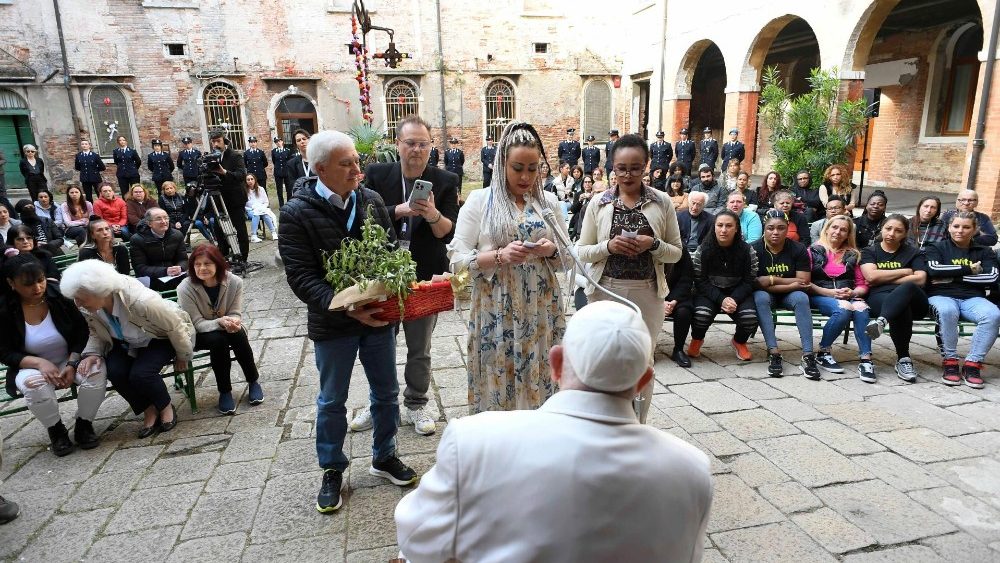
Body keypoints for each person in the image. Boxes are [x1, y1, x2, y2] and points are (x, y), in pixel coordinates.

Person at [394, 300, 713, 563]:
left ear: (556, 364)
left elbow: (416, 542)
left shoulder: (474, 441)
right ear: (644, 381)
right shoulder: (691, 469)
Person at [279, 130, 418, 513]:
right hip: (333, 324)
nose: (358, 169)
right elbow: (301, 276)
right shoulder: (296, 212)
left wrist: (388, 289)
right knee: (332, 400)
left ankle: (384, 455)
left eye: (357, 161)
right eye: (347, 164)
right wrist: (343, 305)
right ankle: (332, 469)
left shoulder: (370, 200)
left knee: (386, 393)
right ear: (320, 169)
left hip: (376, 319)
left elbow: (390, 251)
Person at [450, 121, 570, 414]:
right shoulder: (481, 202)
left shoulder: (548, 202)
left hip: (541, 308)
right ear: (501, 163)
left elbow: (569, 257)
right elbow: (456, 261)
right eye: (518, 168)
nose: (526, 176)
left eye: (533, 168)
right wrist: (499, 256)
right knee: (497, 371)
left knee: (542, 373)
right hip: (496, 306)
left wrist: (550, 249)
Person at [353, 115, 460, 437]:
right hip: (382, 273)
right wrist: (397, 210)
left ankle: (416, 403)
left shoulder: (444, 181)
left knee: (419, 346)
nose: (416, 149)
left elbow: (447, 233)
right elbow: (361, 219)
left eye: (423, 144)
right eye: (410, 143)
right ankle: (379, 403)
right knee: (378, 344)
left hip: (424, 276)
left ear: (431, 148)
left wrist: (432, 214)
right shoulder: (377, 174)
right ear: (398, 145)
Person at [576, 133, 683, 421]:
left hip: (648, 292)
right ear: (612, 166)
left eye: (635, 167)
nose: (627, 174)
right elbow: (582, 251)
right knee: (603, 359)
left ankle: (637, 424)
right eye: (621, 168)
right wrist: (608, 247)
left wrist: (654, 245)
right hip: (604, 290)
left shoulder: (661, 202)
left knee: (643, 360)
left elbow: (676, 252)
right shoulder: (599, 203)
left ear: (646, 166)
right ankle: (603, 422)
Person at [61, 259, 194, 438]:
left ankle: (165, 406)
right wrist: (93, 353)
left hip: (157, 337)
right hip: (124, 341)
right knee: (115, 371)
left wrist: (183, 355)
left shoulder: (141, 301)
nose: (77, 303)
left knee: (142, 373)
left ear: (99, 291)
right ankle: (148, 409)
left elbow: (175, 327)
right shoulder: (90, 307)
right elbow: (94, 331)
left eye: (80, 297)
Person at [0, 253, 106, 456]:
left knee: (96, 370)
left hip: (70, 357)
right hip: (29, 365)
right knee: (35, 386)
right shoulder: (4, 309)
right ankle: (56, 430)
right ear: (11, 283)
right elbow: (4, 352)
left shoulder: (59, 296)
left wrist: (72, 362)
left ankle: (84, 423)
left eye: (40, 281)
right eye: (28, 284)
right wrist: (38, 363)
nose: (37, 288)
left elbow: (82, 331)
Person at [178, 244, 262, 413]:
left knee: (238, 334)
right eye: (197, 264)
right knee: (218, 340)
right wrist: (220, 322)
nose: (202, 268)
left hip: (226, 326)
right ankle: (225, 391)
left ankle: (253, 381)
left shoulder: (234, 282)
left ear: (218, 263)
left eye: (207, 263)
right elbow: (196, 323)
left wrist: (234, 322)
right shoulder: (185, 288)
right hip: (199, 333)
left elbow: (235, 312)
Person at [925, 211, 1000, 389]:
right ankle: (950, 361)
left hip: (972, 298)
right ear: (949, 227)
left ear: (974, 230)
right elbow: (934, 271)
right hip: (941, 295)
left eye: (966, 227)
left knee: (993, 314)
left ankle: (972, 364)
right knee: (947, 311)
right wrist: (970, 269)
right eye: (956, 226)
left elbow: (992, 277)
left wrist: (954, 277)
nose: (960, 230)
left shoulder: (984, 251)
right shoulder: (936, 247)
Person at [861, 214, 928, 383]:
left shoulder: (914, 253)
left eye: (898, 231)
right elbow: (871, 277)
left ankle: (881, 322)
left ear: (905, 234)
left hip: (916, 301)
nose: (891, 233)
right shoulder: (869, 251)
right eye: (888, 228)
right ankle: (904, 359)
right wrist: (905, 272)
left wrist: (884, 276)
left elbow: (920, 279)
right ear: (881, 229)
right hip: (880, 298)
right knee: (901, 307)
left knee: (909, 287)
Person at [752, 210, 819, 378]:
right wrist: (789, 282)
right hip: (766, 294)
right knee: (760, 297)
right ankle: (774, 352)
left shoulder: (798, 248)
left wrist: (770, 280)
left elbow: (803, 282)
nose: (775, 232)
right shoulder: (754, 248)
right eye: (770, 228)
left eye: (781, 228)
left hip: (792, 295)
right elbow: (755, 283)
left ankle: (808, 355)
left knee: (802, 298)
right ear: (764, 229)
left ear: (788, 228)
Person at [808, 215, 874, 380]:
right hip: (820, 294)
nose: (838, 232)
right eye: (835, 227)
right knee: (843, 308)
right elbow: (805, 282)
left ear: (848, 234)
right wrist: (830, 293)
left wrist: (853, 293)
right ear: (827, 228)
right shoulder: (813, 251)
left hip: (848, 294)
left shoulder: (853, 254)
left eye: (843, 229)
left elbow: (862, 284)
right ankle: (823, 352)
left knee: (861, 308)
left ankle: (866, 359)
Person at [688, 210, 759, 361]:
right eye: (719, 225)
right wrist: (721, 299)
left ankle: (739, 341)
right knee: (701, 315)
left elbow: (750, 280)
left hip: (738, 292)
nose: (724, 230)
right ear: (714, 227)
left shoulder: (747, 250)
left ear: (736, 228)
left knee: (750, 318)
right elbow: (700, 281)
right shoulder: (703, 249)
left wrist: (733, 299)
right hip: (710, 292)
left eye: (729, 226)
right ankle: (697, 339)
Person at [207, 129, 250, 260]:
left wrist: (225, 172)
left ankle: (242, 258)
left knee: (240, 229)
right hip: (218, 200)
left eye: (218, 141)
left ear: (224, 141)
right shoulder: (211, 157)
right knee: (219, 231)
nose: (215, 144)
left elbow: (241, 175)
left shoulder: (235, 156)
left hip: (235, 199)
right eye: (213, 142)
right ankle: (224, 256)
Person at [130, 207, 188, 291]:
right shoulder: (137, 239)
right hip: (151, 278)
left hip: (175, 275)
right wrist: (165, 271)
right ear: (149, 223)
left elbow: (183, 259)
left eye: (166, 218)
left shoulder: (177, 235)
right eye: (158, 219)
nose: (164, 221)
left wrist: (180, 267)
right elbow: (140, 267)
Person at [664, 246, 696, 367]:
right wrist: (660, 301)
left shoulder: (680, 248)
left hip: (677, 296)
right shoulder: (647, 246)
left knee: (684, 311)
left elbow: (686, 279)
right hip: (651, 295)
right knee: (646, 309)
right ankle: (649, 348)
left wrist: (673, 300)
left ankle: (678, 349)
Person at [244, 174, 278, 243]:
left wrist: (262, 208)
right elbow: (244, 204)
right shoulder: (244, 191)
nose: (250, 181)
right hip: (250, 210)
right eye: (248, 180)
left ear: (255, 180)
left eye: (251, 179)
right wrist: (252, 209)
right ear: (246, 181)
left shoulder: (261, 189)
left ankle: (273, 232)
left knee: (265, 214)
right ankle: (254, 236)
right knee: (256, 215)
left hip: (261, 208)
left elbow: (266, 201)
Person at [271, 136, 293, 207]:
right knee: (279, 190)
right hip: (278, 172)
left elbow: (290, 161)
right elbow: (274, 161)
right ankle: (281, 205)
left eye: (279, 141)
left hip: (287, 172)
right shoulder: (274, 151)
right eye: (277, 142)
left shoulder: (287, 150)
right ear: (275, 143)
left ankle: (289, 204)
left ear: (282, 142)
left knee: (288, 189)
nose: (278, 143)